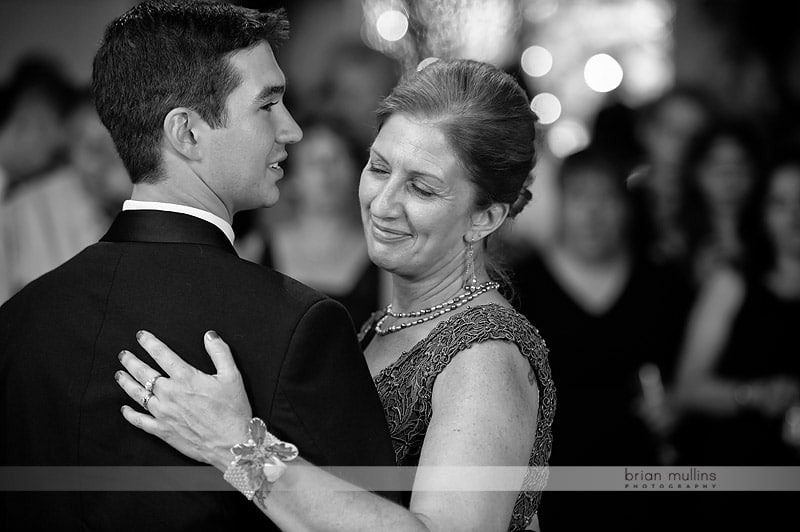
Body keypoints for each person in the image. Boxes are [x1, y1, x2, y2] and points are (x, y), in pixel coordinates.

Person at [0, 1, 397, 530]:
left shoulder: (18, 322)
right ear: (186, 133)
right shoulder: (297, 326)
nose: (292, 129)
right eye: (268, 105)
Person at [114, 58, 556, 531]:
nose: (383, 204)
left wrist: (237, 446)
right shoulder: (389, 323)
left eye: (422, 189)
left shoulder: (485, 356)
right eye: (379, 168)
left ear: (485, 217)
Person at [512, 147, 692, 532]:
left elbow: (686, 378)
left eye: (606, 197)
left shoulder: (662, 284)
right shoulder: (521, 288)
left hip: (643, 479)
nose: (592, 213)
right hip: (550, 484)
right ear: (561, 203)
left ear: (626, 205)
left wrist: (676, 404)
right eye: (579, 196)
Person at [668, 147, 800, 529]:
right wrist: (756, 395)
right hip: (741, 475)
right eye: (780, 202)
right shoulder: (732, 283)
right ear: (762, 212)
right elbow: (688, 387)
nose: (794, 215)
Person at [236, 114, 384, 326]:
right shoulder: (255, 250)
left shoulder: (382, 254)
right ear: (293, 179)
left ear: (357, 172)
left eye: (336, 158)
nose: (326, 171)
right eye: (313, 161)